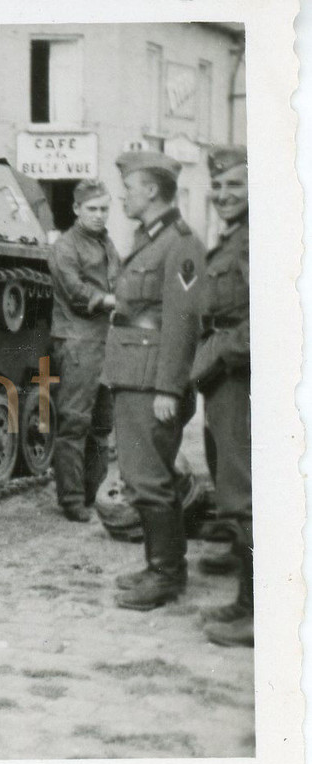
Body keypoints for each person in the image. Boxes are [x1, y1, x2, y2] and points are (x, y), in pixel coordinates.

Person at [103, 151, 206, 611]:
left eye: (129, 187)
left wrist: (170, 387)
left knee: (150, 479)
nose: (123, 195)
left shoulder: (180, 243)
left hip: (151, 381)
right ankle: (157, 564)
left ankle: (167, 574)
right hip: (134, 373)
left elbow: (183, 322)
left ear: (150, 191)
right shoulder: (151, 238)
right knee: (140, 476)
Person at [192, 146, 252, 647]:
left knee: (248, 493)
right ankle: (248, 601)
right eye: (218, 186)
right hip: (226, 376)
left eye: (235, 185)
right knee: (234, 488)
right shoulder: (234, 238)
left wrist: (220, 356)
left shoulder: (257, 239)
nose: (223, 194)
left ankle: (259, 612)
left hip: (243, 378)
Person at [48, 180, 120, 522]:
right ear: (76, 209)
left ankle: (92, 492)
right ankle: (72, 500)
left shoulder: (106, 242)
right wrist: (109, 299)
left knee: (102, 424)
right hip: (78, 340)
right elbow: (75, 291)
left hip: (105, 340)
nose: (99, 215)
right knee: (75, 422)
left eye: (104, 208)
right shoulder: (66, 246)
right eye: (92, 208)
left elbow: (120, 279)